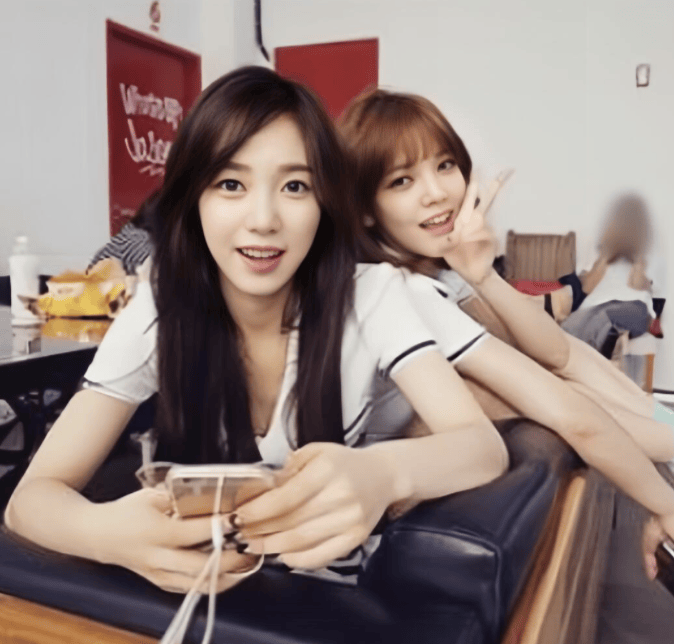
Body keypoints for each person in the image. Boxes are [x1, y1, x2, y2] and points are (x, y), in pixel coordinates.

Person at [4, 68, 509, 599]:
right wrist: (108, 534)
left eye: (295, 186)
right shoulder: (161, 309)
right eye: (231, 184)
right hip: (210, 602)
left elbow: (481, 447)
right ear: (193, 198)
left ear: (325, 203)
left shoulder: (371, 295)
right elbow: (29, 501)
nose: (264, 220)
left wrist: (382, 474)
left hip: (337, 603)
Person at [338, 87, 674, 545]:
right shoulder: (399, 291)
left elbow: (559, 355)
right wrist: (665, 503)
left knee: (570, 361)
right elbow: (571, 410)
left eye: (445, 165)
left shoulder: (438, 272)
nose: (436, 193)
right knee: (553, 381)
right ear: (364, 209)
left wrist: (482, 275)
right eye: (402, 181)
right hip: (394, 513)